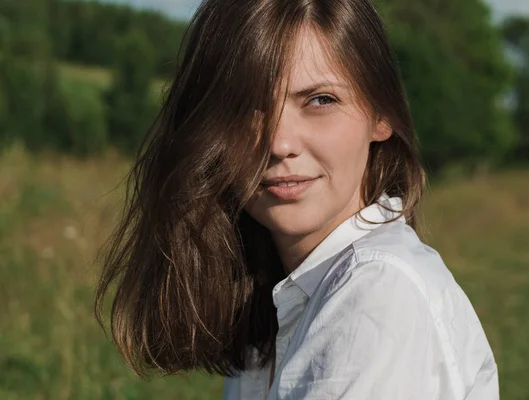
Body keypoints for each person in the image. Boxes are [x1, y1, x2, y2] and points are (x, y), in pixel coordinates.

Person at [95, 0, 499, 398]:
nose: (278, 142)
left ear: (382, 116)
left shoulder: (379, 293)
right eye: (243, 110)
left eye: (320, 100)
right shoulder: (276, 296)